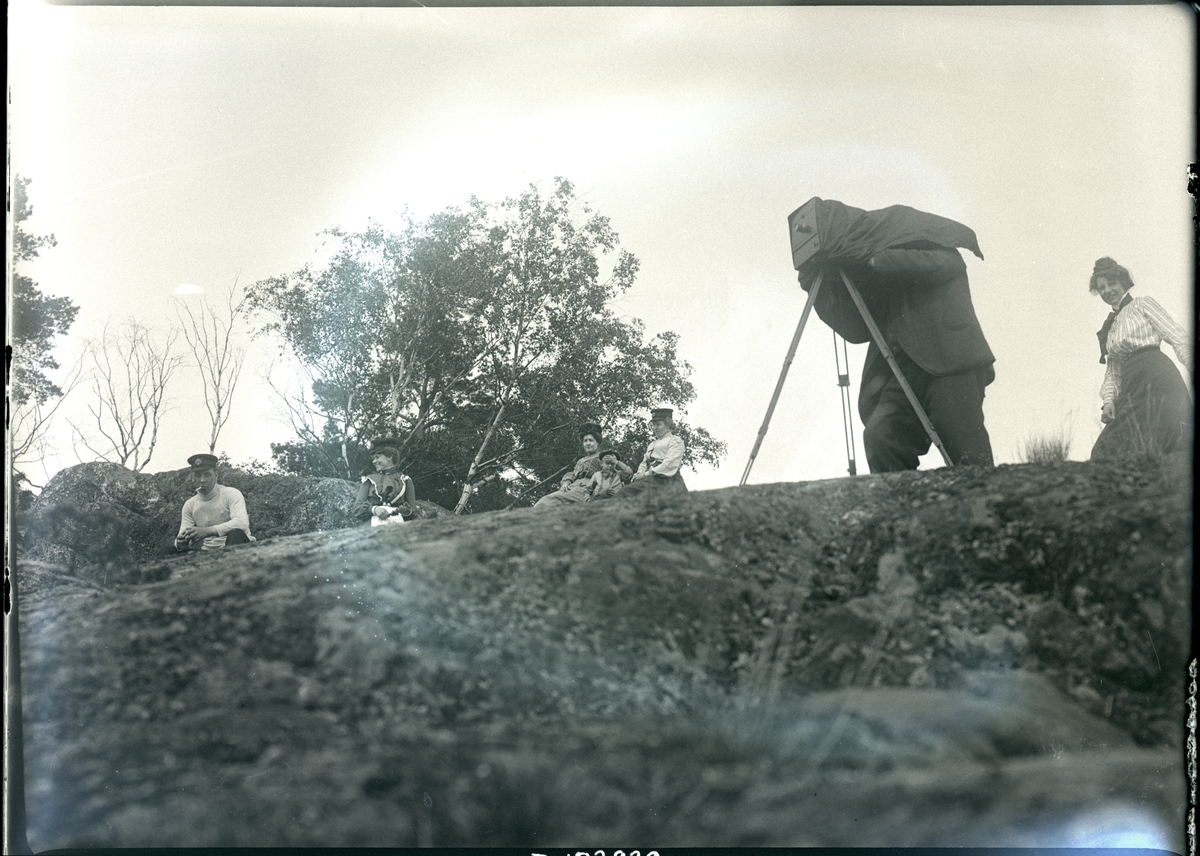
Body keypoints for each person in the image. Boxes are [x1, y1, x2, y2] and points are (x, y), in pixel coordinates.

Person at [795, 199, 995, 472]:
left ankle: (988, 509)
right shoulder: (879, 275)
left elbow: (946, 265)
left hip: (948, 364)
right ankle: (903, 511)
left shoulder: (941, 251)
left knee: (967, 452)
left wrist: (872, 258)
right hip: (899, 373)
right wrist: (820, 288)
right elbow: (855, 330)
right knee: (881, 438)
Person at [1088, 257, 1192, 460]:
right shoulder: (1110, 328)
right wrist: (1108, 401)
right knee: (1106, 449)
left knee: (1169, 443)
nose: (1107, 290)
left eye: (1112, 283)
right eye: (1101, 287)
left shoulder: (1142, 304)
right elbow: (1112, 370)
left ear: (1123, 282)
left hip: (1158, 378)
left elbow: (1175, 335)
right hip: (1130, 385)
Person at [174, 453, 254, 551]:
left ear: (215, 475)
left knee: (236, 534)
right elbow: (183, 533)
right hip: (207, 553)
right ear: (192, 478)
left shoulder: (231, 494)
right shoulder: (190, 505)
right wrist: (180, 542)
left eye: (207, 475)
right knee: (168, 551)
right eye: (198, 476)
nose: (202, 480)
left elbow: (242, 523)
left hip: (237, 547)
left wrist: (209, 531)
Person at [533, 423, 605, 509]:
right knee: (550, 502)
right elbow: (572, 474)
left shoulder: (603, 457)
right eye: (585, 441)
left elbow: (611, 474)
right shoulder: (580, 461)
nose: (588, 443)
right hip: (573, 488)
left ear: (597, 442)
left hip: (587, 490)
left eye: (591, 440)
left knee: (549, 500)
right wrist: (566, 482)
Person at [621, 407, 688, 497]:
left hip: (666, 479)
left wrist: (645, 474)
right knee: (624, 492)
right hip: (650, 479)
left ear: (668, 425)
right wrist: (638, 475)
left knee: (626, 493)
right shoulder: (652, 444)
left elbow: (669, 464)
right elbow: (644, 463)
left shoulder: (675, 441)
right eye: (653, 425)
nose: (655, 428)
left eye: (658, 424)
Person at [355, 445, 417, 526]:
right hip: (372, 524)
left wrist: (406, 511)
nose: (374, 461)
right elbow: (357, 509)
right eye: (373, 458)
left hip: (398, 524)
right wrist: (374, 509)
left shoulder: (405, 480)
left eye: (377, 457)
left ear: (389, 457)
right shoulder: (369, 480)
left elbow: (413, 511)